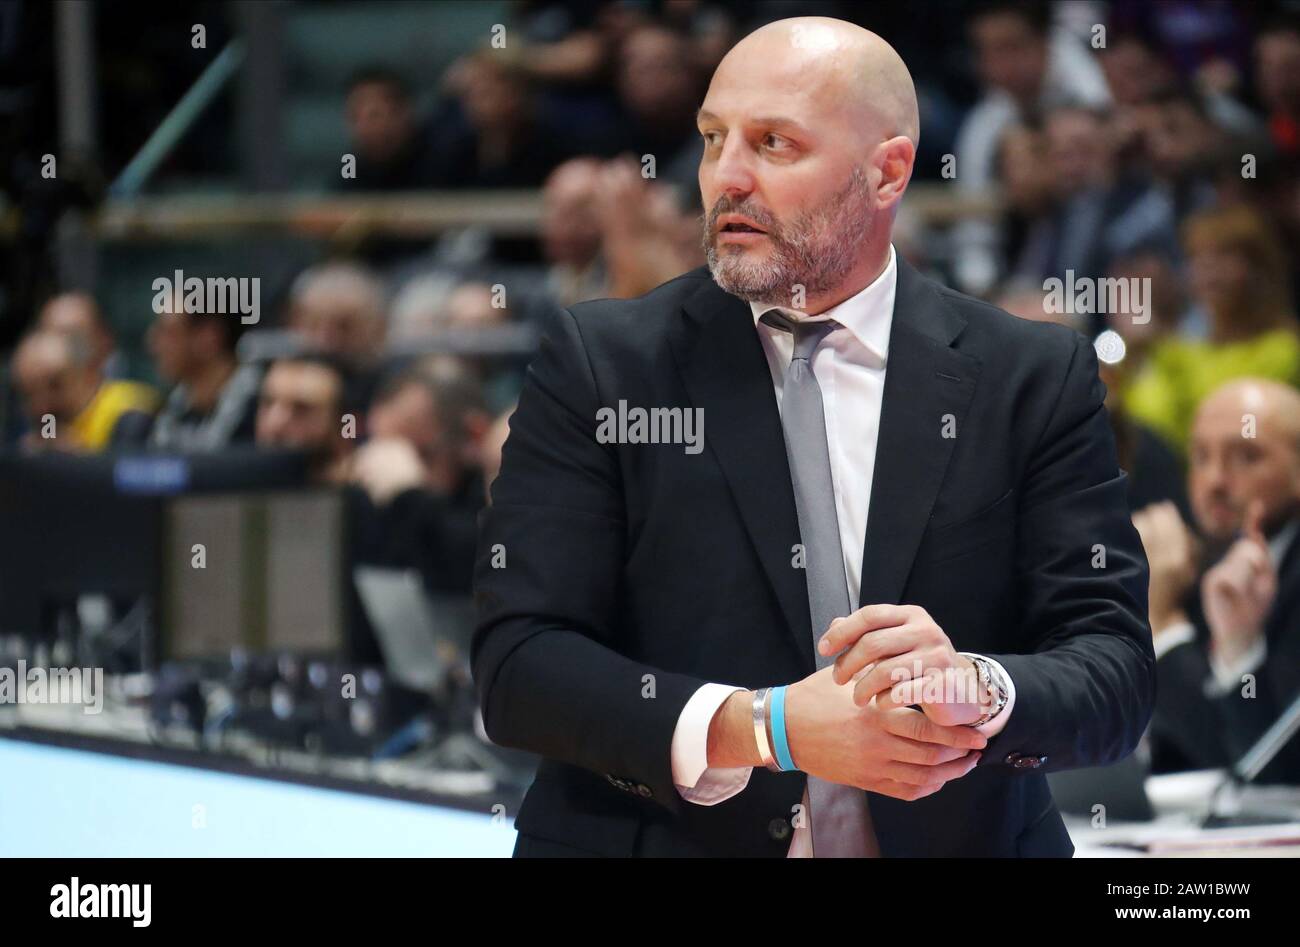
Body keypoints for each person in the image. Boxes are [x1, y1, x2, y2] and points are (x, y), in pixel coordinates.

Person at [474, 17, 1152, 858]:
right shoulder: (603, 363)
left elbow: (1114, 669)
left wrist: (980, 687)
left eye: (774, 144)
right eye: (714, 139)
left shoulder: (1030, 375)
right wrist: (763, 727)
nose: (727, 178)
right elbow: (518, 665)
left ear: (887, 171)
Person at [1135, 379, 1300, 782]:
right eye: (1201, 457)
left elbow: (1260, 769)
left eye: (1246, 456)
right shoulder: (1201, 562)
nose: (1215, 481)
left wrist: (1164, 621)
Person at [10, 330, 156, 452]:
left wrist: (79, 458)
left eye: (55, 385)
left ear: (88, 374)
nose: (41, 405)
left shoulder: (129, 412)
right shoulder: (49, 419)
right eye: (28, 394)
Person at [146, 296, 260, 451]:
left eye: (168, 332)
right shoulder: (173, 407)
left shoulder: (261, 412)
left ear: (208, 337)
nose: (153, 344)